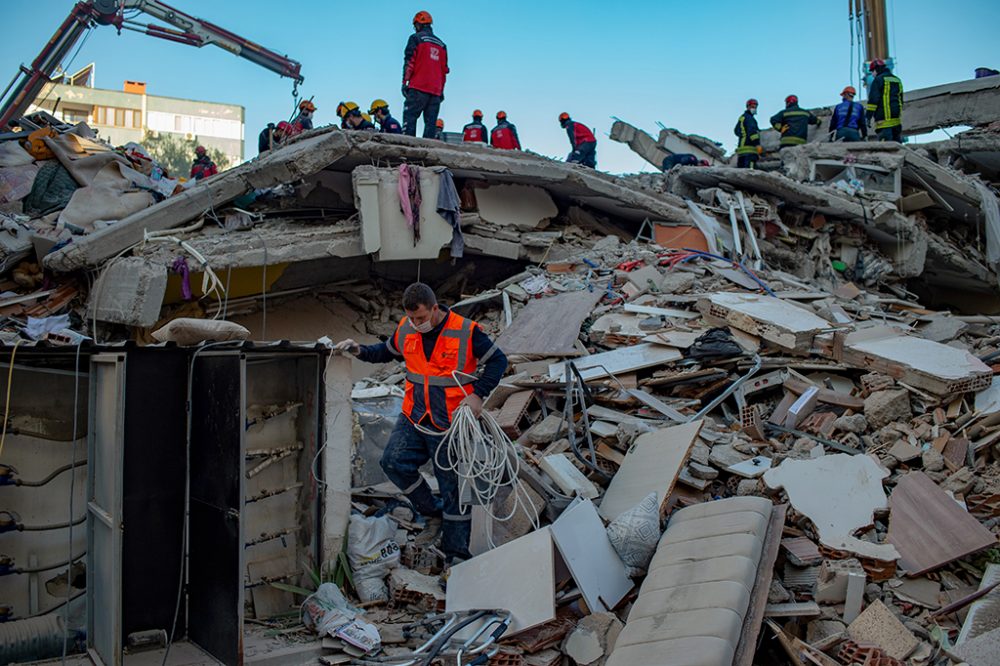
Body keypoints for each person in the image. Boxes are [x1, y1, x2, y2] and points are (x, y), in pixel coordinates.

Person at [333, 283, 509, 562]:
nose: (417, 324)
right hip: (415, 414)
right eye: (412, 318)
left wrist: (477, 395)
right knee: (393, 462)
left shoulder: (465, 330)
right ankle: (432, 513)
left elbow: (499, 361)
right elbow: (386, 351)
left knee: (453, 488)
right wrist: (359, 350)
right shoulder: (406, 328)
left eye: (422, 318)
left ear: (435, 309)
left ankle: (455, 556)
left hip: (450, 422)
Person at [402, 11, 449, 138]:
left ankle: (407, 149)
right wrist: (441, 91)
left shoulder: (415, 38)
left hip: (418, 86)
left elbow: (409, 62)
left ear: (418, 24)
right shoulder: (442, 45)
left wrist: (405, 83)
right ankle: (427, 152)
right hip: (435, 91)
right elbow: (444, 70)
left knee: (410, 117)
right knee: (430, 124)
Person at [866, 59, 903, 142]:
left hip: (883, 123)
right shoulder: (897, 80)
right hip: (897, 122)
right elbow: (901, 99)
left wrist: (868, 117)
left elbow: (873, 101)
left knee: (886, 150)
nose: (872, 74)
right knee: (897, 149)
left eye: (872, 71)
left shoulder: (878, 80)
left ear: (876, 69)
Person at [734, 98, 762, 168]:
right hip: (749, 150)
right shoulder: (749, 118)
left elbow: (736, 131)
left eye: (755, 107)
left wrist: (743, 136)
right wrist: (757, 144)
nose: (754, 109)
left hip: (741, 150)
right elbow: (752, 132)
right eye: (752, 107)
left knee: (741, 172)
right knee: (750, 172)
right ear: (748, 107)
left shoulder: (742, 117)